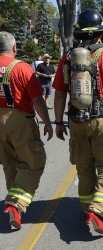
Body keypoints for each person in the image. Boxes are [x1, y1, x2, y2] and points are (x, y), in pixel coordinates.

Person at [53, 9, 103, 235]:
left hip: (76, 121)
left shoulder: (67, 58)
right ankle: (99, 209)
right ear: (101, 34)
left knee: (84, 167)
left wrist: (58, 122)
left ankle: (87, 207)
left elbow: (58, 94)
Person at [0, 31, 53, 229]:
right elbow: (37, 100)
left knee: (9, 163)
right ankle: (16, 203)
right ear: (14, 48)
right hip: (19, 120)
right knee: (33, 161)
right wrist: (47, 122)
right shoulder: (21, 68)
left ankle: (16, 204)